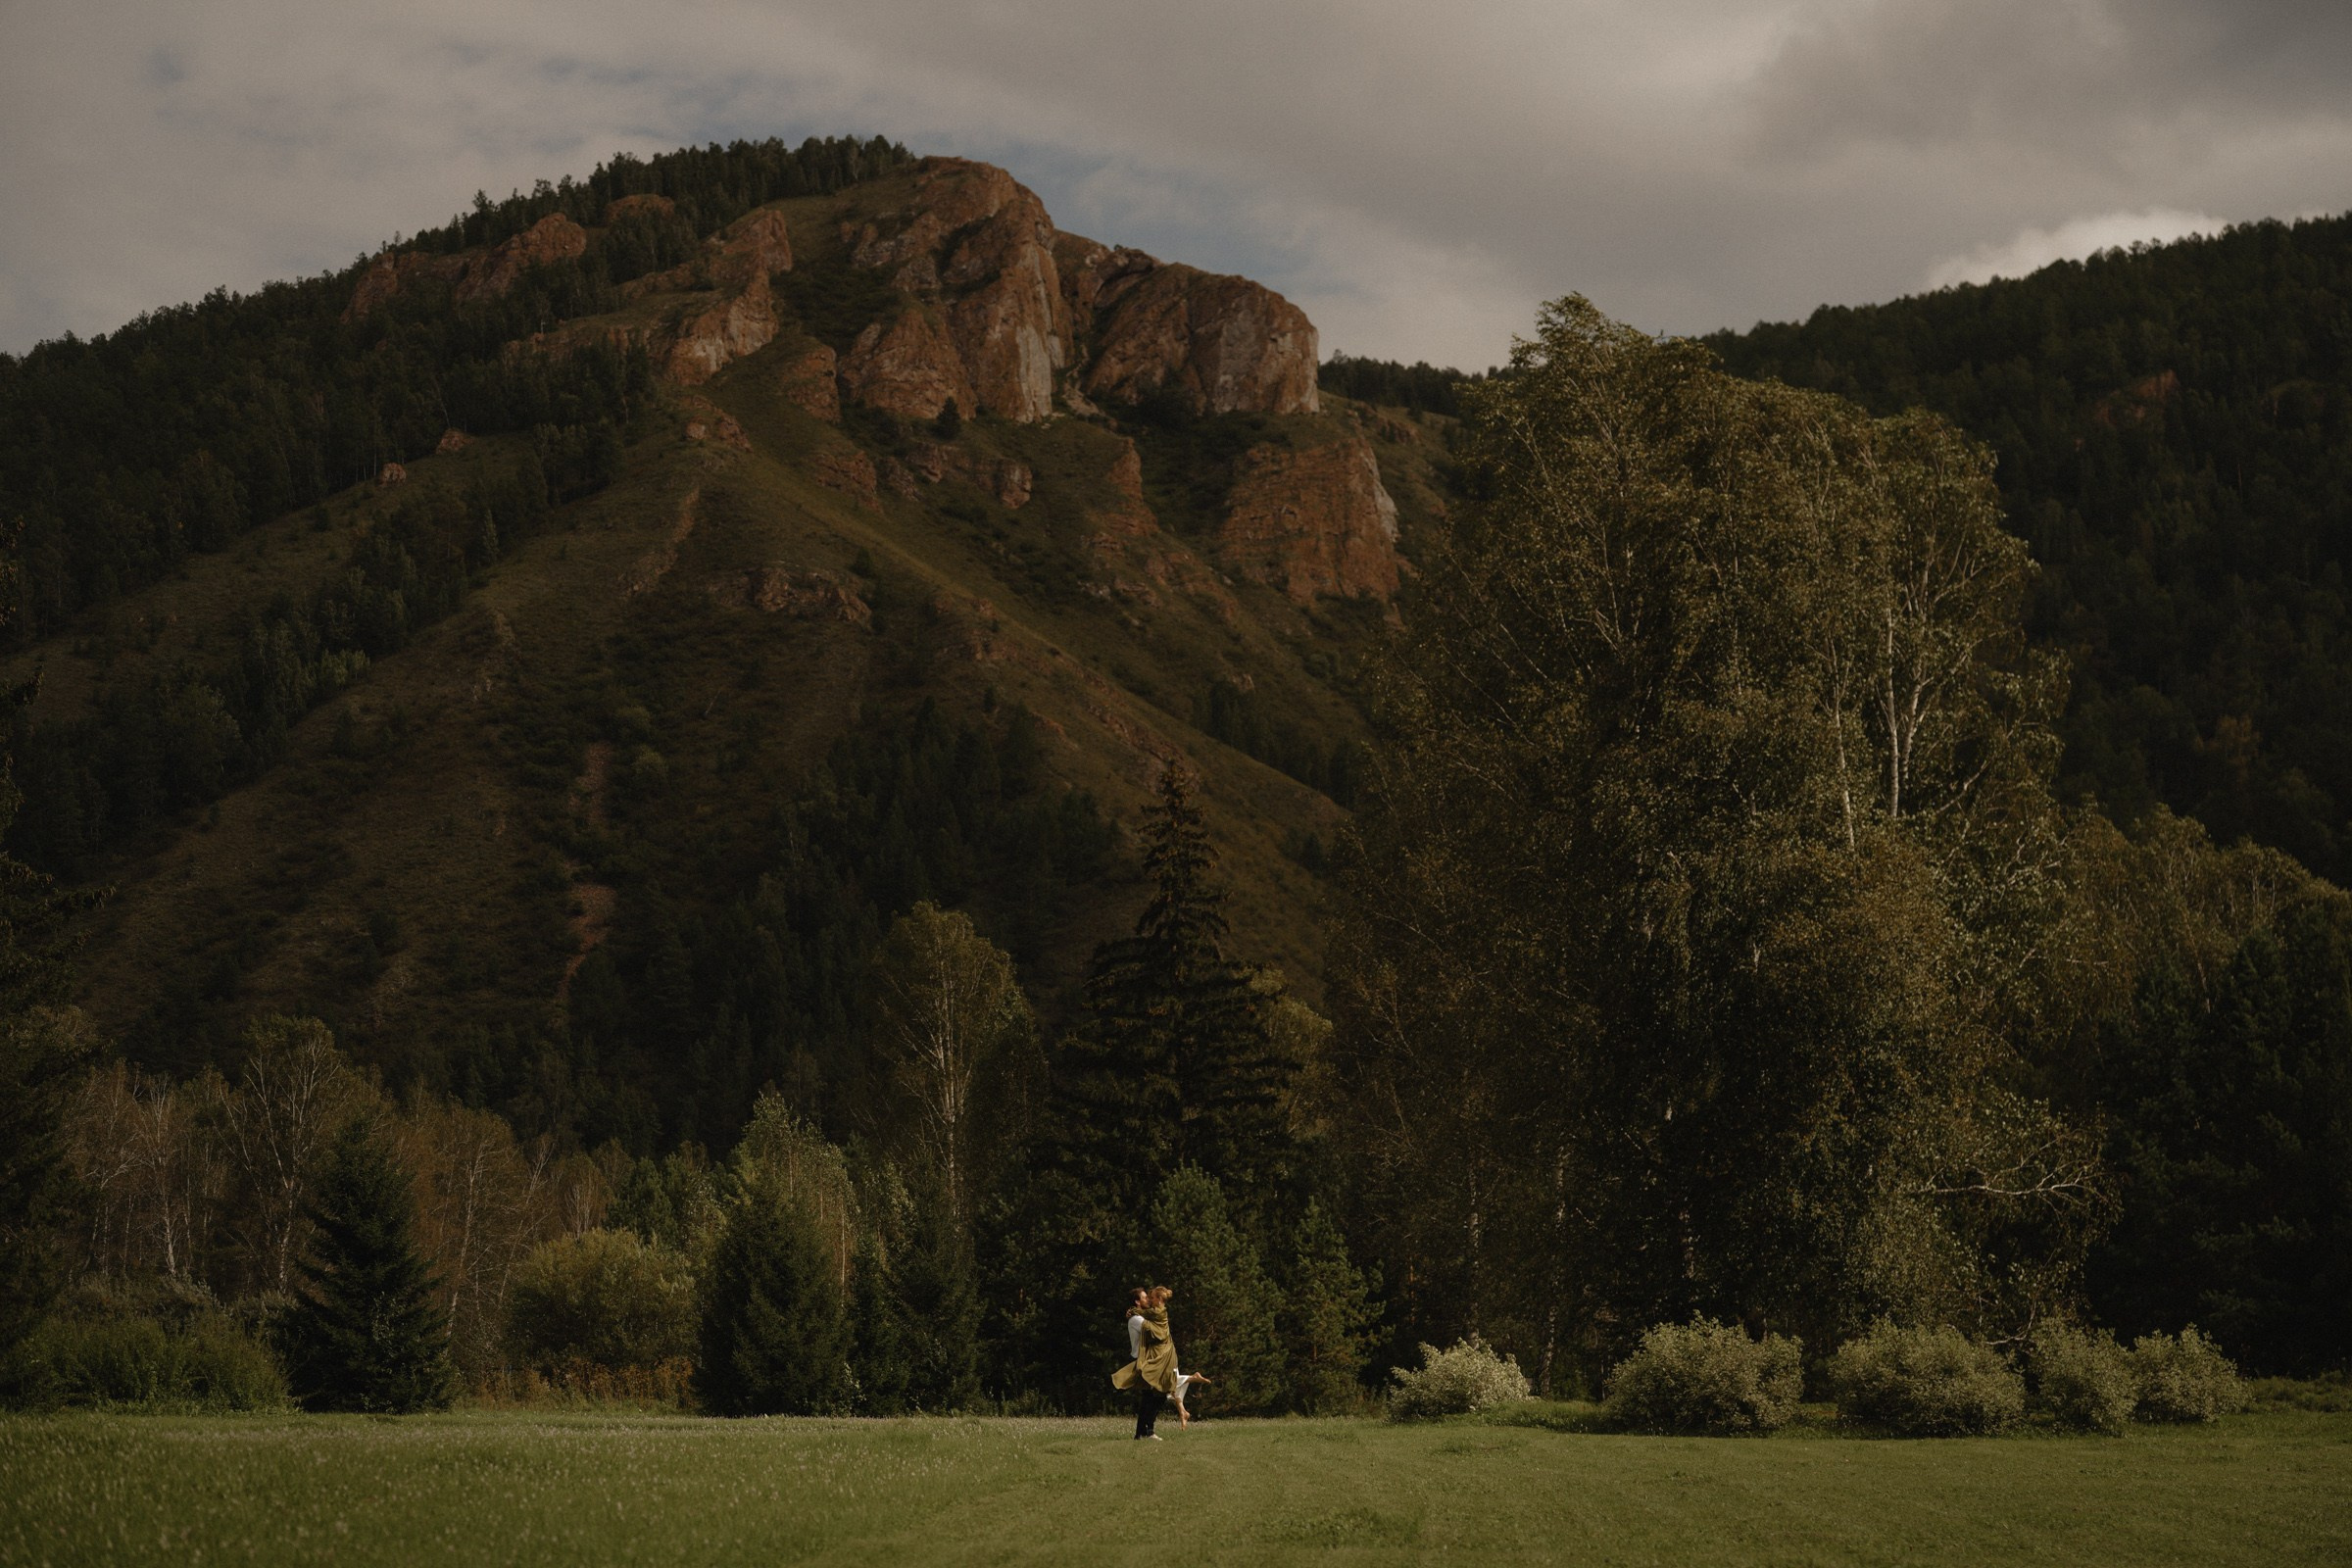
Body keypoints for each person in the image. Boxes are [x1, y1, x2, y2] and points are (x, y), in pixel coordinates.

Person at [1110, 1285, 1180, 1439]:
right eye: (1144, 1298)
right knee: (1152, 1397)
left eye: (1150, 1297)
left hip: (1148, 1359)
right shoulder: (1136, 1319)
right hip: (1142, 1359)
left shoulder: (1144, 1315)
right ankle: (1147, 1432)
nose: (1148, 1299)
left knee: (1152, 1397)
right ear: (1137, 1302)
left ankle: (1142, 1433)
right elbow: (1154, 1331)